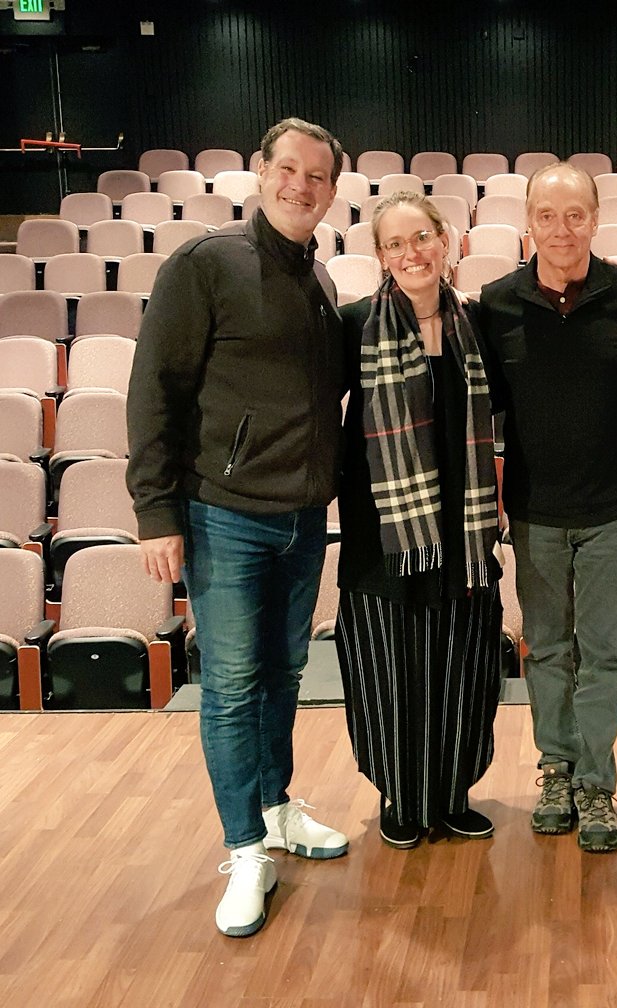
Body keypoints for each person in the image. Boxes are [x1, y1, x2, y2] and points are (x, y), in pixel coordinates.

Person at [126, 117, 350, 939]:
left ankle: (276, 805)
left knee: (284, 673)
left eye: (316, 175)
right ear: (261, 172)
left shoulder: (318, 279)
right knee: (229, 687)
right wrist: (155, 512)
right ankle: (245, 847)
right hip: (223, 517)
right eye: (287, 169)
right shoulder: (205, 264)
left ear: (332, 190)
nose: (300, 186)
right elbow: (154, 390)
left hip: (302, 519)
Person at [477, 162, 617, 853]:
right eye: (547, 215)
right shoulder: (496, 303)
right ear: (528, 222)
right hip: (536, 513)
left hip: (614, 510)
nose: (562, 229)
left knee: (605, 653)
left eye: (575, 214)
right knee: (547, 649)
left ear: (596, 219)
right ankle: (557, 769)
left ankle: (597, 782)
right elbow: (480, 408)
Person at [333, 191, 505, 850]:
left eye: (422, 237)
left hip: (463, 536)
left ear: (446, 240)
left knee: (461, 670)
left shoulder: (477, 323)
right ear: (381, 256)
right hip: (386, 537)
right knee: (389, 674)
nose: (412, 253)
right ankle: (400, 796)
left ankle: (453, 793)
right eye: (396, 243)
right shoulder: (354, 325)